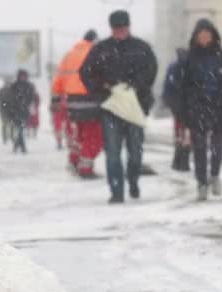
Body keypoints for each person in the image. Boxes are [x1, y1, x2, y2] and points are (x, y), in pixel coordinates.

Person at [81, 10, 158, 203]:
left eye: (123, 28)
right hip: (110, 109)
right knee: (113, 153)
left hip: (135, 108)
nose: (120, 32)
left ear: (129, 27)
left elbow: (151, 71)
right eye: (116, 28)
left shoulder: (141, 48)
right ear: (111, 28)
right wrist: (102, 89)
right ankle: (116, 192)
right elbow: (86, 72)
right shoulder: (101, 49)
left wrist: (136, 85)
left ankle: (132, 181)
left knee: (135, 153)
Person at [180, 19, 222, 201]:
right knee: (199, 148)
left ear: (213, 36)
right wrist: (183, 111)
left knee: (217, 147)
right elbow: (182, 88)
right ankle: (201, 183)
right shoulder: (188, 59)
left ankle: (214, 175)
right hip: (197, 108)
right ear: (196, 37)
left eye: (207, 34)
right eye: (201, 35)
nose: (204, 38)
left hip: (219, 107)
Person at [52, 29, 103, 178]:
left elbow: (58, 80)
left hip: (72, 101)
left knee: (78, 133)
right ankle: (85, 167)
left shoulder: (69, 55)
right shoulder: (95, 53)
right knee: (94, 135)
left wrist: (55, 99)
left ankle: (75, 159)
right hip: (91, 99)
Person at [162, 48, 191, 172]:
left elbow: (167, 86)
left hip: (178, 106)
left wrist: (167, 100)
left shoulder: (173, 68)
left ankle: (178, 160)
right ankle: (183, 161)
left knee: (180, 133)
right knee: (186, 134)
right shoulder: (191, 67)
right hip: (187, 107)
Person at [10, 69, 36, 154]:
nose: (23, 78)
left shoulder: (29, 86)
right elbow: (11, 98)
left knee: (21, 128)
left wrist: (26, 104)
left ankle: (17, 145)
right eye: (22, 76)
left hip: (24, 110)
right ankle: (22, 146)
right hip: (16, 111)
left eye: (24, 76)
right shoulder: (14, 86)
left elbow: (32, 97)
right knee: (20, 128)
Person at [0, 78, 14, 144]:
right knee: (6, 124)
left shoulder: (3, 90)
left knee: (8, 124)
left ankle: (7, 138)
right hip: (6, 109)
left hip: (8, 109)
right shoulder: (2, 90)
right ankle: (7, 138)